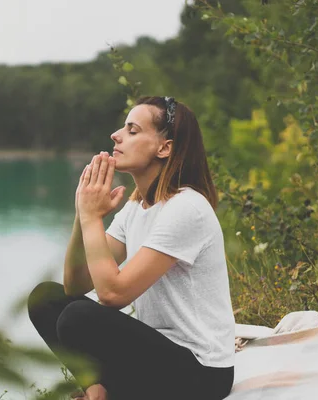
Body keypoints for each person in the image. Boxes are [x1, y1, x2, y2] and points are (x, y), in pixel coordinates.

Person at [27, 97, 235, 400]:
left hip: (202, 375)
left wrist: (92, 217)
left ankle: (107, 390)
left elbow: (113, 294)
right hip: (156, 356)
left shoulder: (187, 208)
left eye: (133, 130)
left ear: (164, 148)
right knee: (46, 299)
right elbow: (76, 284)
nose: (116, 135)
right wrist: (81, 213)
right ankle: (97, 390)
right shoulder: (137, 207)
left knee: (79, 317)